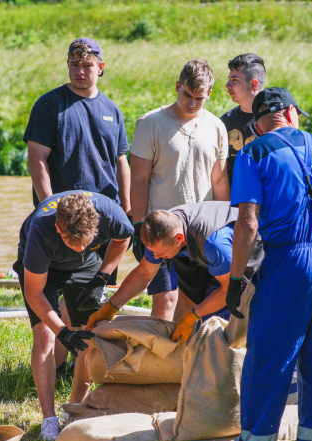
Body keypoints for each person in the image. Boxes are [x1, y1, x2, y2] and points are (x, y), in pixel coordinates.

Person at [203, 87, 312, 441]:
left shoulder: (254, 151)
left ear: (256, 123)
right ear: (292, 113)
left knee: (269, 356)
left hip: (290, 259)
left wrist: (234, 281)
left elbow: (247, 222)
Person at [13, 192, 132, 441]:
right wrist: (62, 332)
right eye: (72, 241)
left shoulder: (111, 214)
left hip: (85, 265)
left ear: (96, 225)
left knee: (90, 331)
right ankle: (49, 419)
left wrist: (103, 277)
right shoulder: (42, 231)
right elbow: (35, 293)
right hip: (45, 266)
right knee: (45, 335)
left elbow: (124, 237)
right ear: (59, 228)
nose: (79, 246)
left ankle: (75, 410)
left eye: (84, 241)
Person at [131, 59, 230, 321]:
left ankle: (183, 359)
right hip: (158, 229)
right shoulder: (150, 123)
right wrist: (138, 224)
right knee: (166, 299)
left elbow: (219, 182)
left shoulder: (217, 127)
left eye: (199, 98)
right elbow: (139, 178)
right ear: (177, 86)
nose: (192, 103)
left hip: (198, 234)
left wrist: (230, 222)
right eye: (186, 94)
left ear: (209, 94)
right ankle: (157, 358)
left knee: (192, 300)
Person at [87, 202, 264, 341]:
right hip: (212, 257)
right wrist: (111, 307)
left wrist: (190, 318)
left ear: (179, 238)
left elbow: (229, 289)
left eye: (159, 253)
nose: (156, 257)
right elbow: (144, 273)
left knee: (219, 329)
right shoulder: (162, 229)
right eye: (152, 251)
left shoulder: (214, 244)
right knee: (202, 321)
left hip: (253, 253)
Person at [24, 38, 130, 211]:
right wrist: (49, 207)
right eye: (74, 65)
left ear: (100, 68)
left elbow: (120, 161)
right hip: (64, 210)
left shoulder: (112, 109)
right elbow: (36, 157)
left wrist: (126, 211)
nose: (80, 71)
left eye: (87, 66)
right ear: (67, 64)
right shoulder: (49, 104)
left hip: (106, 209)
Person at [221, 53, 266, 185]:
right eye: (229, 79)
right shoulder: (224, 122)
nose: (227, 85)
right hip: (232, 202)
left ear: (253, 84)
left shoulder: (274, 121)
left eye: (234, 80)